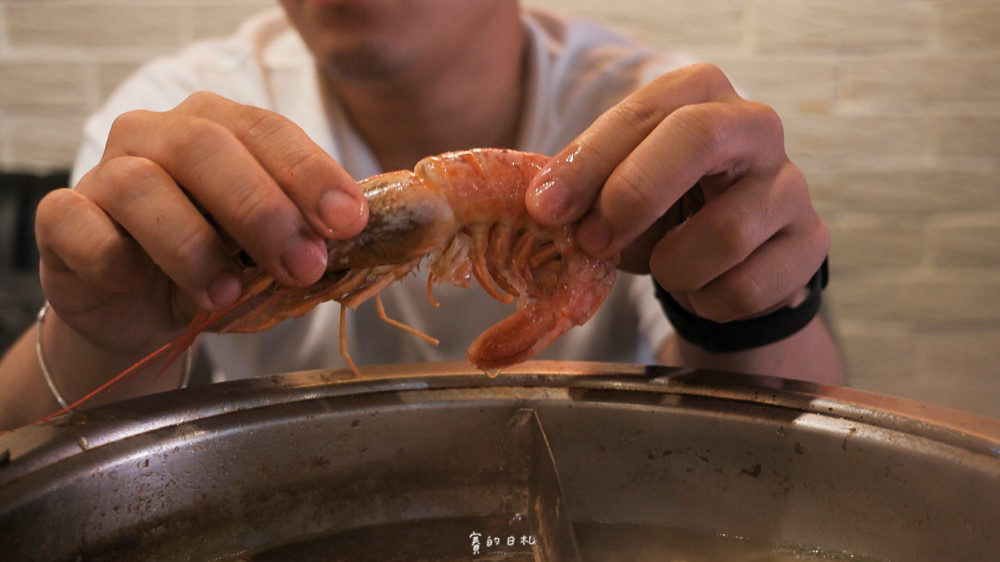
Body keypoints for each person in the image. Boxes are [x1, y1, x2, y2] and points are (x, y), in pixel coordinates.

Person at [0, 0, 842, 430]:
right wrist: (102, 340)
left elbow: (798, 443)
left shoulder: (647, 120)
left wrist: (752, 311)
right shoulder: (171, 117)